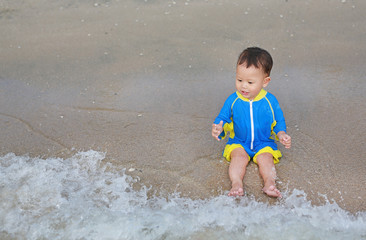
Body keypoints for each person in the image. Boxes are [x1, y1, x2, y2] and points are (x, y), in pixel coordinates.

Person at [211, 47, 291, 198]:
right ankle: (236, 183)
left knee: (266, 159)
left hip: (264, 142)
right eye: (239, 80)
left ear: (265, 81)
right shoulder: (233, 100)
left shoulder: (270, 101)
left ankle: (269, 183)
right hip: (239, 142)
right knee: (238, 158)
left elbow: (279, 120)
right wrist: (218, 128)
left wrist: (281, 134)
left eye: (250, 82)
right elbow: (222, 118)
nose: (243, 86)